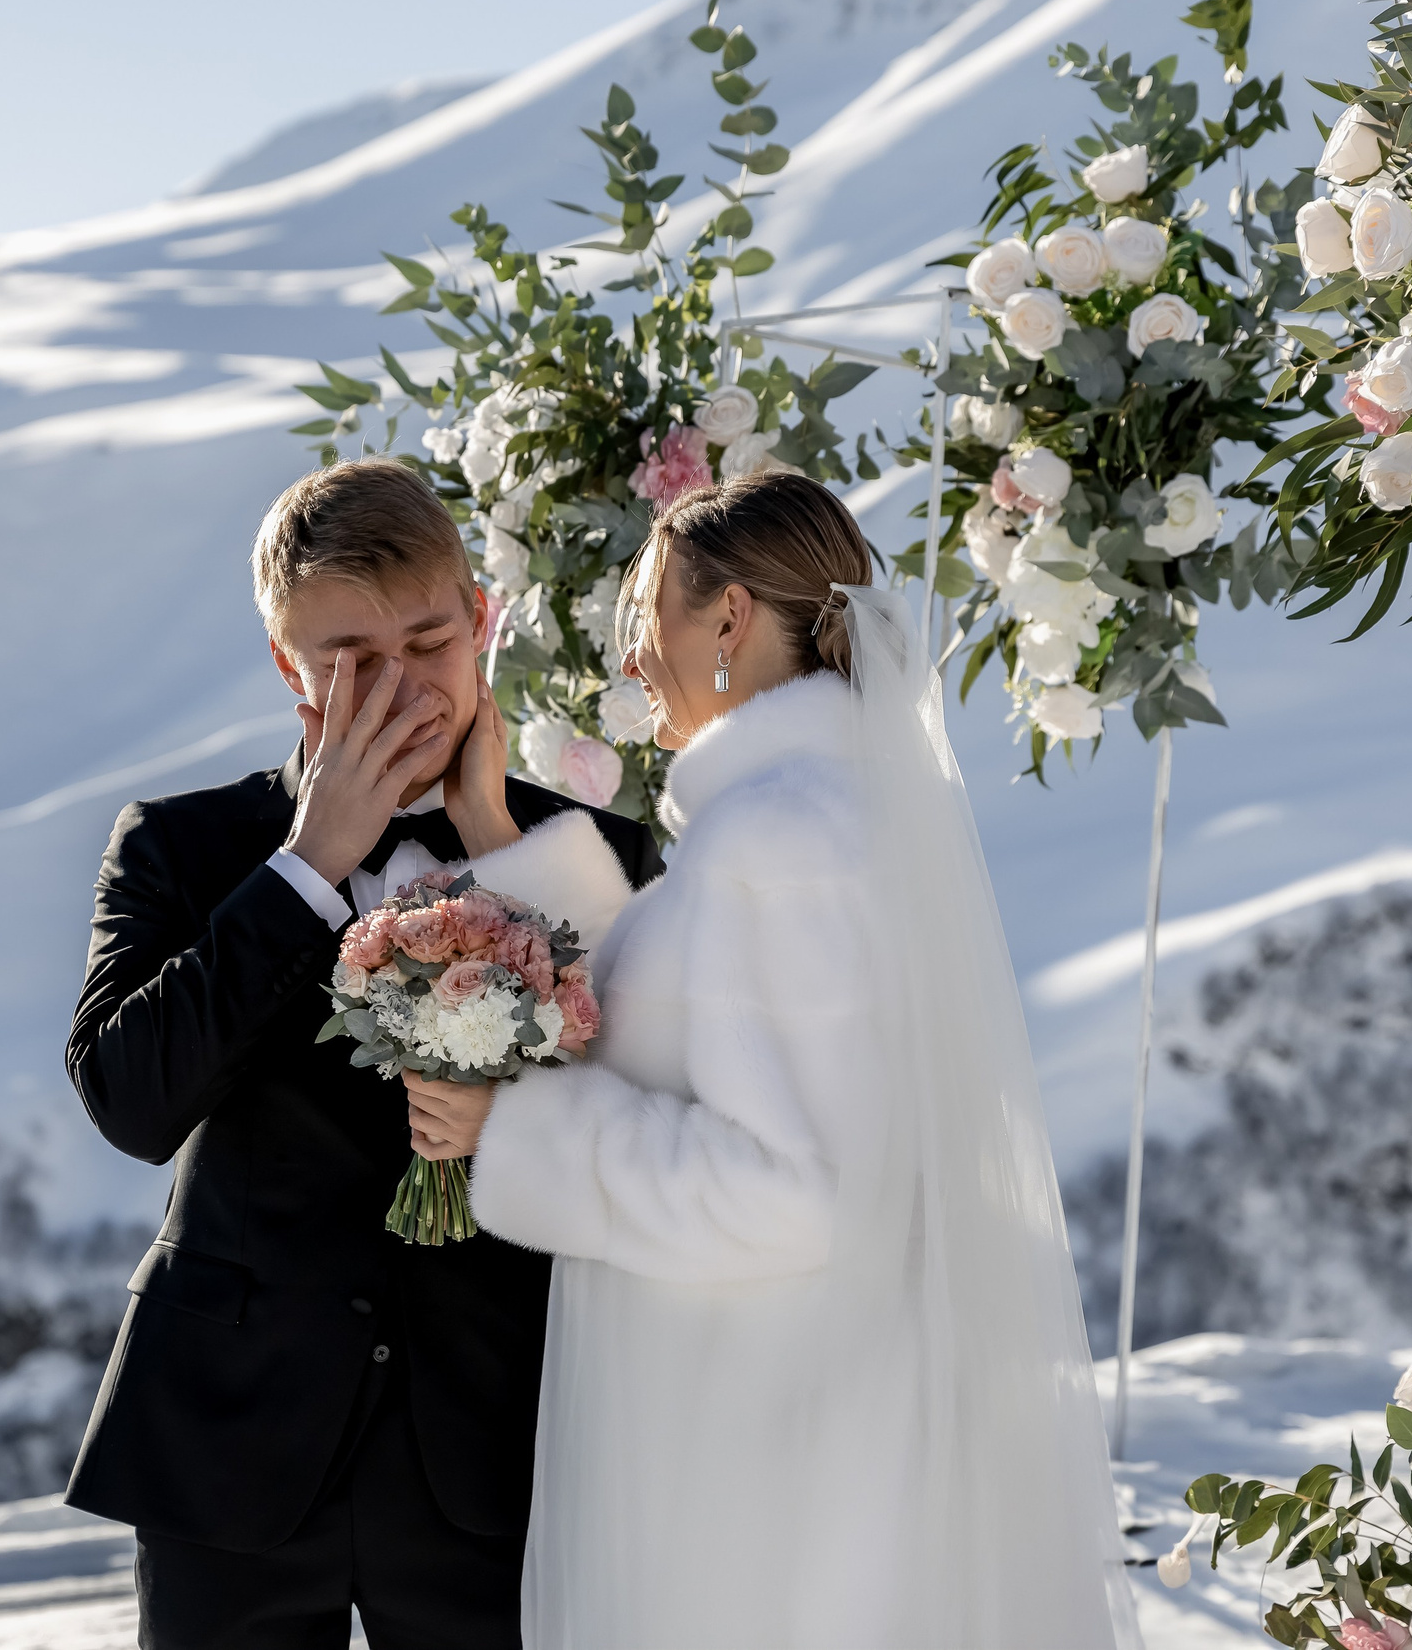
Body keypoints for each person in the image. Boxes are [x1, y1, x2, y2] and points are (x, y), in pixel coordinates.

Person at [403, 473, 1139, 1648]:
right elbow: (683, 1019)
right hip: (794, 1433)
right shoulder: (815, 818)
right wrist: (497, 833)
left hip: (767, 1468)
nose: (632, 656)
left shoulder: (779, 842)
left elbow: (787, 1195)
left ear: (731, 619)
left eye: (648, 613)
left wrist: (518, 1133)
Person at [61, 457, 662, 1650]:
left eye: (428, 642)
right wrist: (303, 868)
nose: (397, 689)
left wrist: (500, 848)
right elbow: (132, 1103)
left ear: (482, 620)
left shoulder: (600, 854)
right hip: (229, 1448)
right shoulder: (181, 848)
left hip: (496, 1455)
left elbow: (637, 1113)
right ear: (288, 666)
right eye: (348, 661)